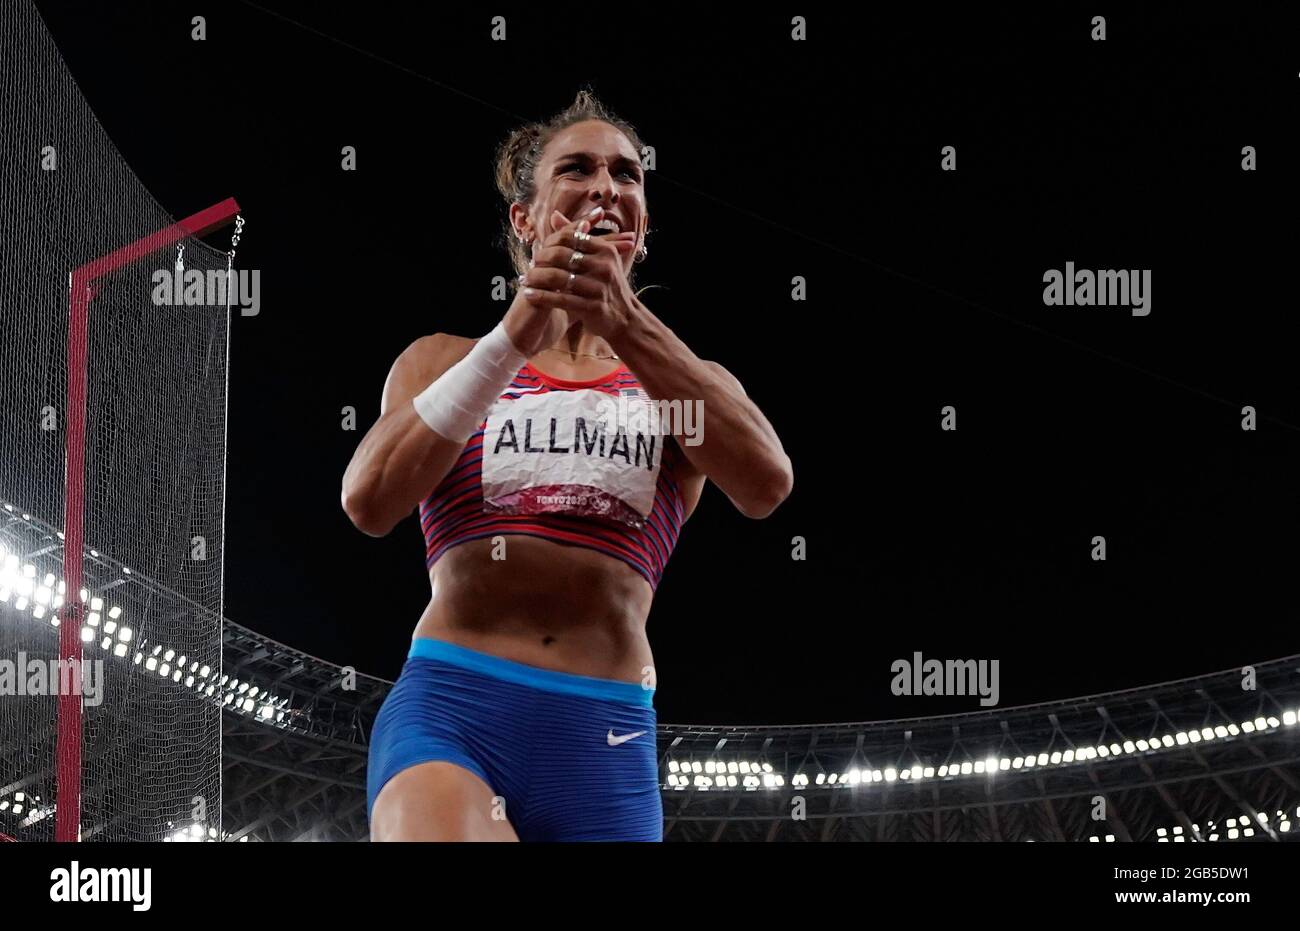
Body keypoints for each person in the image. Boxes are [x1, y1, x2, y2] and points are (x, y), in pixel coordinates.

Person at [342, 90, 792, 840]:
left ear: (642, 225)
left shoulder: (679, 385)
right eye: (577, 169)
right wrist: (512, 340)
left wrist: (626, 321)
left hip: (603, 737)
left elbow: (765, 483)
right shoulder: (443, 360)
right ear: (524, 217)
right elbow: (369, 500)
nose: (606, 186)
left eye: (628, 174)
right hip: (456, 707)